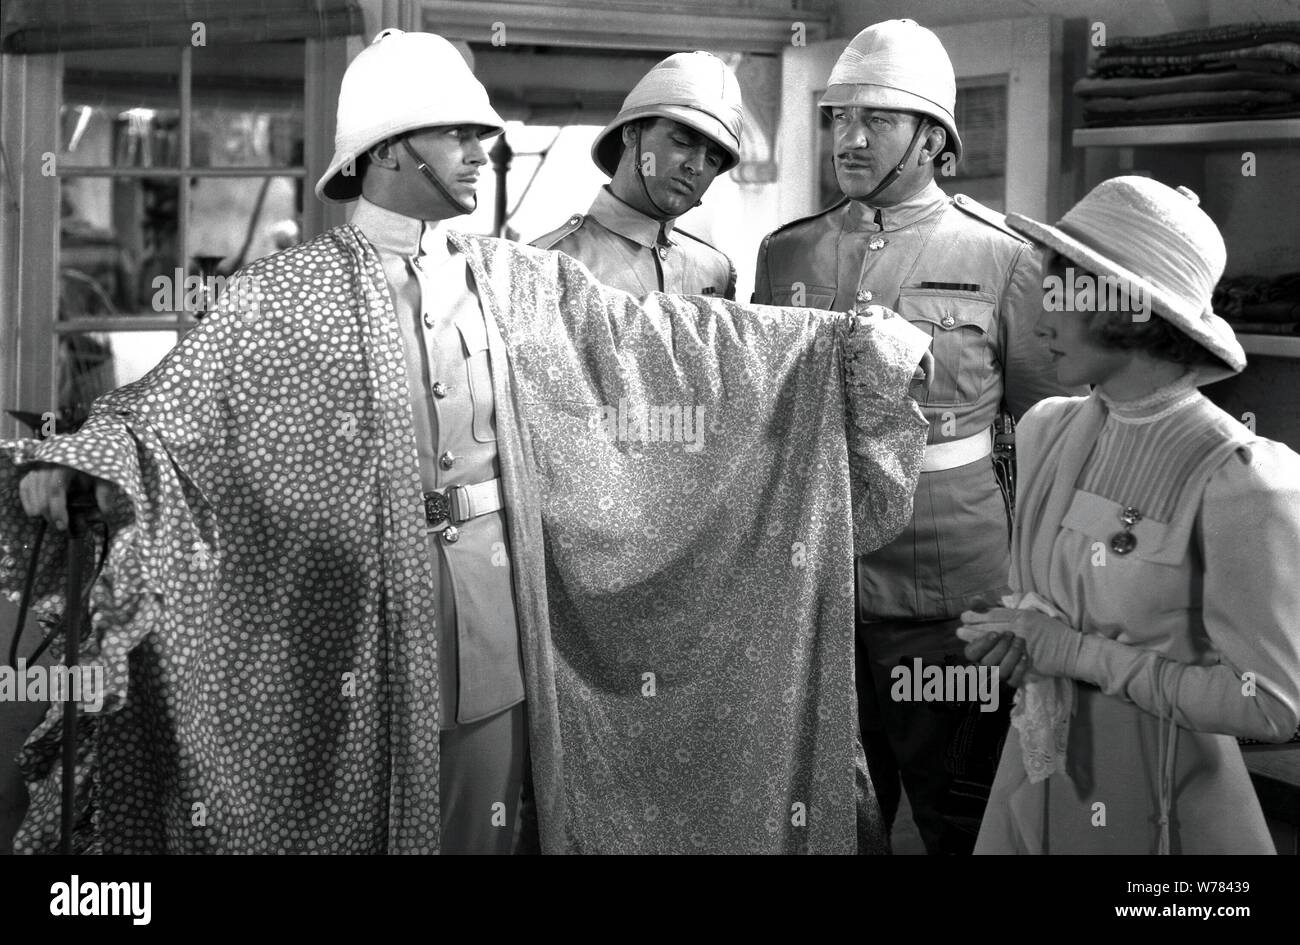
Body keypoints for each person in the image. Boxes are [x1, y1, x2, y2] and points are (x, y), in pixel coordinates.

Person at [2, 30, 933, 854]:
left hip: (495, 603)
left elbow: (664, 343)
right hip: (356, 619)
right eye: (460, 133)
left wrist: (840, 346)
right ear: (391, 146)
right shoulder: (282, 292)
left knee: (485, 815)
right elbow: (163, 412)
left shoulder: (514, 279)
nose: (483, 151)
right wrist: (75, 466)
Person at [753, 18, 1084, 853]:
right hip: (817, 583)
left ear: (934, 137)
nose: (851, 138)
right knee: (824, 820)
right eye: (839, 117)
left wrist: (1044, 595)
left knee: (958, 819)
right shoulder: (786, 253)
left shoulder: (1004, 258)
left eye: (879, 119)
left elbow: (1050, 439)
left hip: (952, 597)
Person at [960, 176, 1300, 854]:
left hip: (1166, 802)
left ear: (1135, 309)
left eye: (1063, 296)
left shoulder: (1244, 481)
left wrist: (1080, 654)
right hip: (1040, 774)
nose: (1038, 323)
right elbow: (1045, 604)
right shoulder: (1046, 431)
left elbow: (1269, 704)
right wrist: (1022, 640)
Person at [532, 52, 738, 299]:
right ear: (631, 133)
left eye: (713, 159)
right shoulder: (549, 263)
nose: (697, 166)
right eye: (683, 141)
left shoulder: (716, 271)